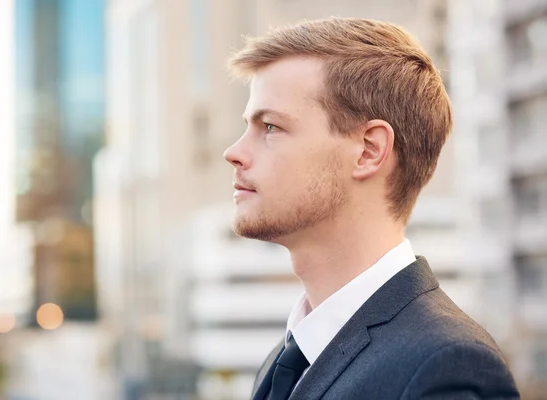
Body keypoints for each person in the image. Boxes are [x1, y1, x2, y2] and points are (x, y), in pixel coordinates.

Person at [223, 17, 520, 400]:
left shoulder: (445, 368)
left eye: (271, 127)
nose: (233, 153)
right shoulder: (285, 360)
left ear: (369, 151)